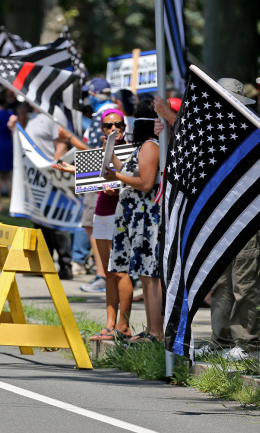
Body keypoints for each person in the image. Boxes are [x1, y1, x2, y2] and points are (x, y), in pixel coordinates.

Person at [195, 79, 260, 360]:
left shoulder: (255, 133)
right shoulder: (209, 133)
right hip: (218, 218)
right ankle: (221, 340)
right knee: (220, 282)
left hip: (245, 217)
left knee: (244, 282)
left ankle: (247, 344)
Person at [61, 109, 133, 339]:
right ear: (101, 129)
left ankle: (124, 324)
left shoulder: (132, 149)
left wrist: (117, 187)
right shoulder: (104, 148)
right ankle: (110, 323)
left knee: (121, 271)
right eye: (108, 126)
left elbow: (134, 179)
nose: (113, 129)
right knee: (108, 272)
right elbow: (95, 174)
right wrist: (70, 168)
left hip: (122, 213)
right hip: (102, 211)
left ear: (124, 126)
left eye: (117, 125)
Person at [104, 100, 162, 342]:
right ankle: (151, 330)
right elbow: (130, 174)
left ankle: (156, 332)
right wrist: (113, 158)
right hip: (135, 219)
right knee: (145, 276)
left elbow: (147, 183)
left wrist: (115, 175)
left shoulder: (150, 145)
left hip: (147, 219)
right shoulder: (142, 147)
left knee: (151, 275)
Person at [25, 103, 73, 279]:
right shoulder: (34, 115)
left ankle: (65, 265)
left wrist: (53, 171)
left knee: (56, 221)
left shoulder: (55, 113)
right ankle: (44, 264)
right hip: (36, 177)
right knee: (40, 220)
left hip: (51, 175)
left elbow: (61, 145)